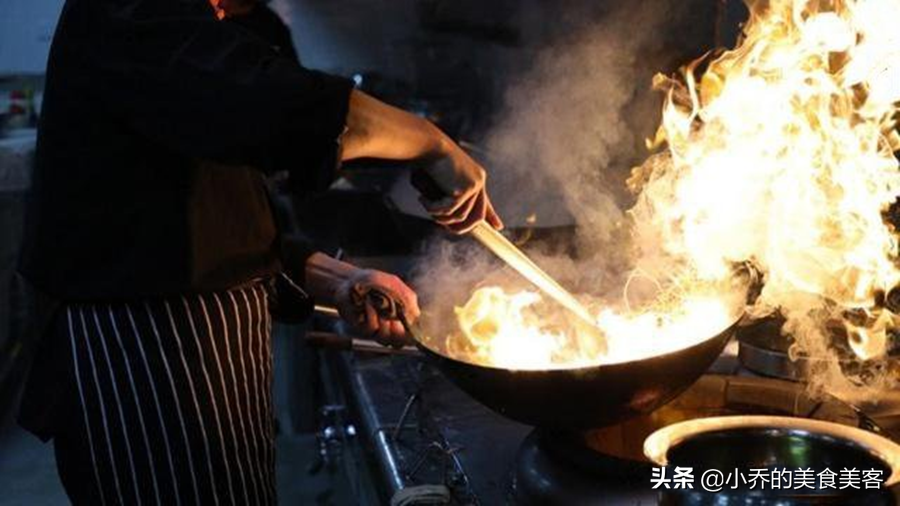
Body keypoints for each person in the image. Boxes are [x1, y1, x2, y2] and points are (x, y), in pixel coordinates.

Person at [16, 0, 502, 504]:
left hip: (202, 359)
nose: (227, 14)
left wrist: (333, 279)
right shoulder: (131, 9)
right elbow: (273, 107)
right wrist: (433, 142)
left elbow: (211, 210)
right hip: (145, 363)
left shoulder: (187, 34)